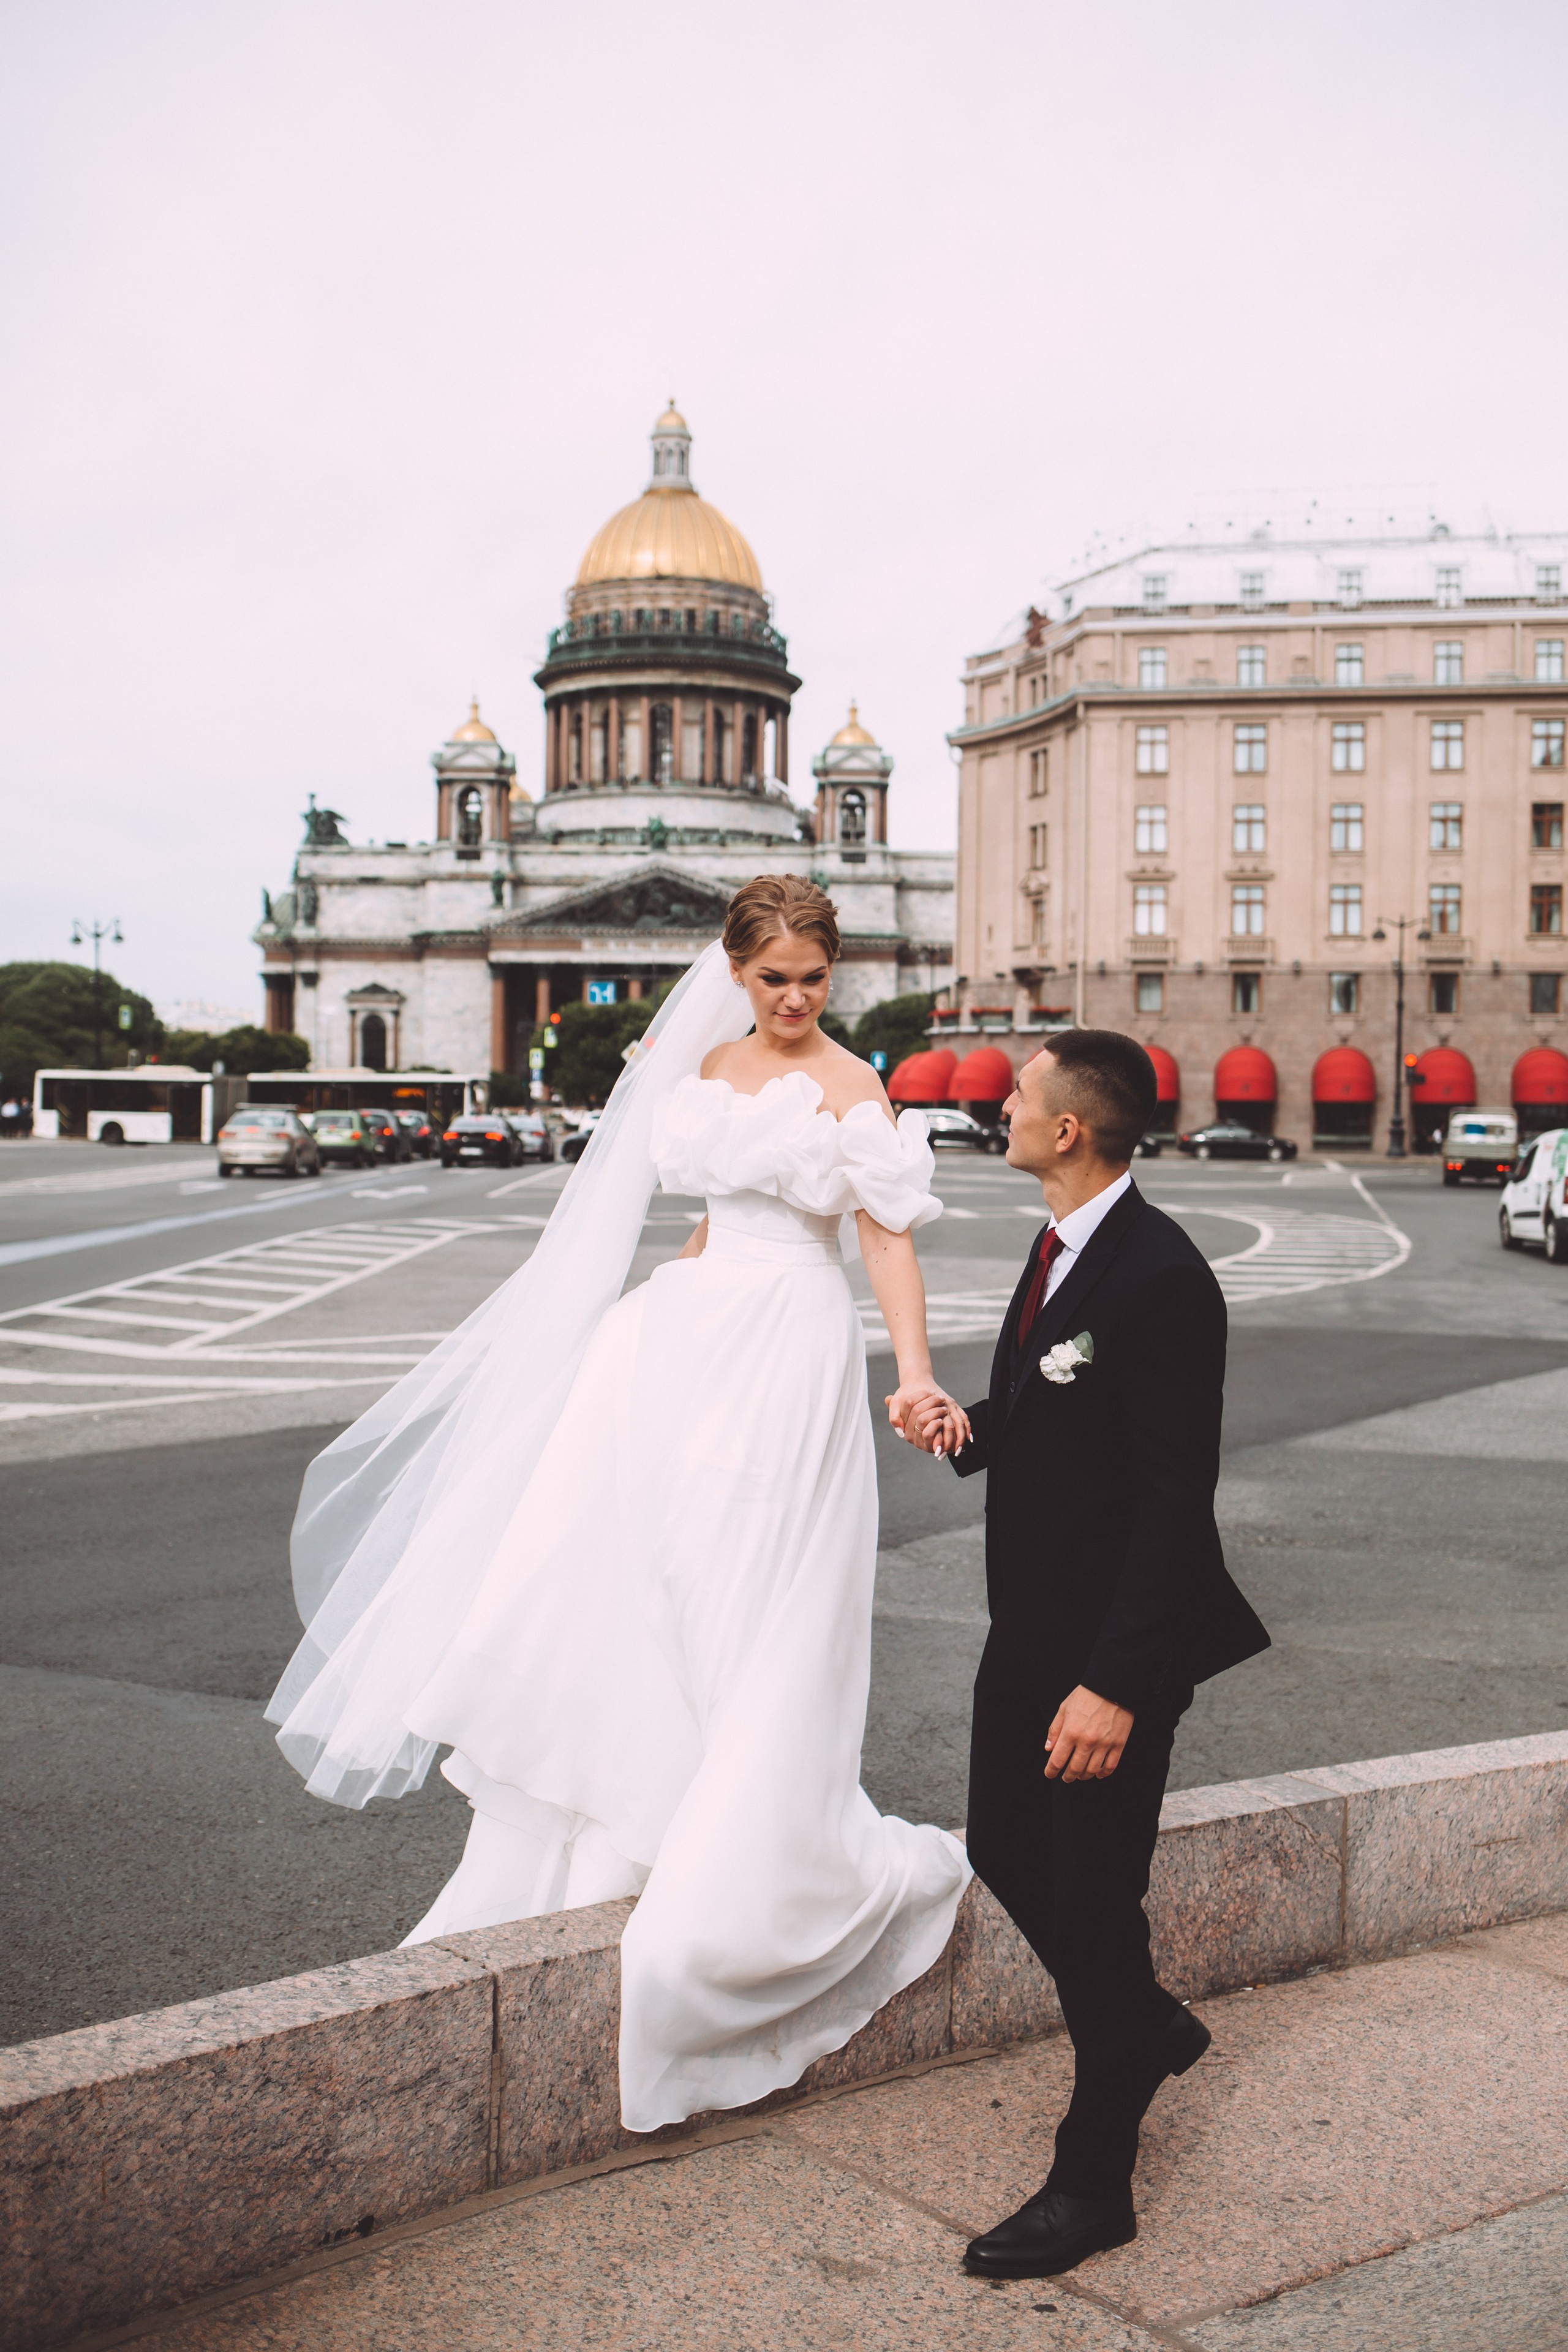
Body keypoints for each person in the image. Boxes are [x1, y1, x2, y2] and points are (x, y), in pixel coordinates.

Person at [266, 875, 973, 2133]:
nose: (796, 998)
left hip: (791, 1341)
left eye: (814, 977)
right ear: (737, 971)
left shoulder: (854, 1085)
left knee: (761, 1591)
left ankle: (733, 1849)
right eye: (774, 978)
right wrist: (646, 1316)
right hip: (691, 1329)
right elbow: (704, 1222)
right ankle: (635, 1812)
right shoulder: (699, 1061)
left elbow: (881, 1240)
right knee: (643, 1576)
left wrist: (913, 1373)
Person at [903, 1031, 1270, 2280]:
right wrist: (969, 1424)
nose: (996, 1104)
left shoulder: (1160, 1277)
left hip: (1113, 1647)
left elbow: (1174, 1499)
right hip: (1031, 1627)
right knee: (1001, 1845)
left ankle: (1093, 2174)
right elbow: (1065, 1407)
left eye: (1016, 1095)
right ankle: (1140, 2024)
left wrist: (1112, 1684)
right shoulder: (1060, 1242)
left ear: (1067, 1130)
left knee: (1090, 1896)